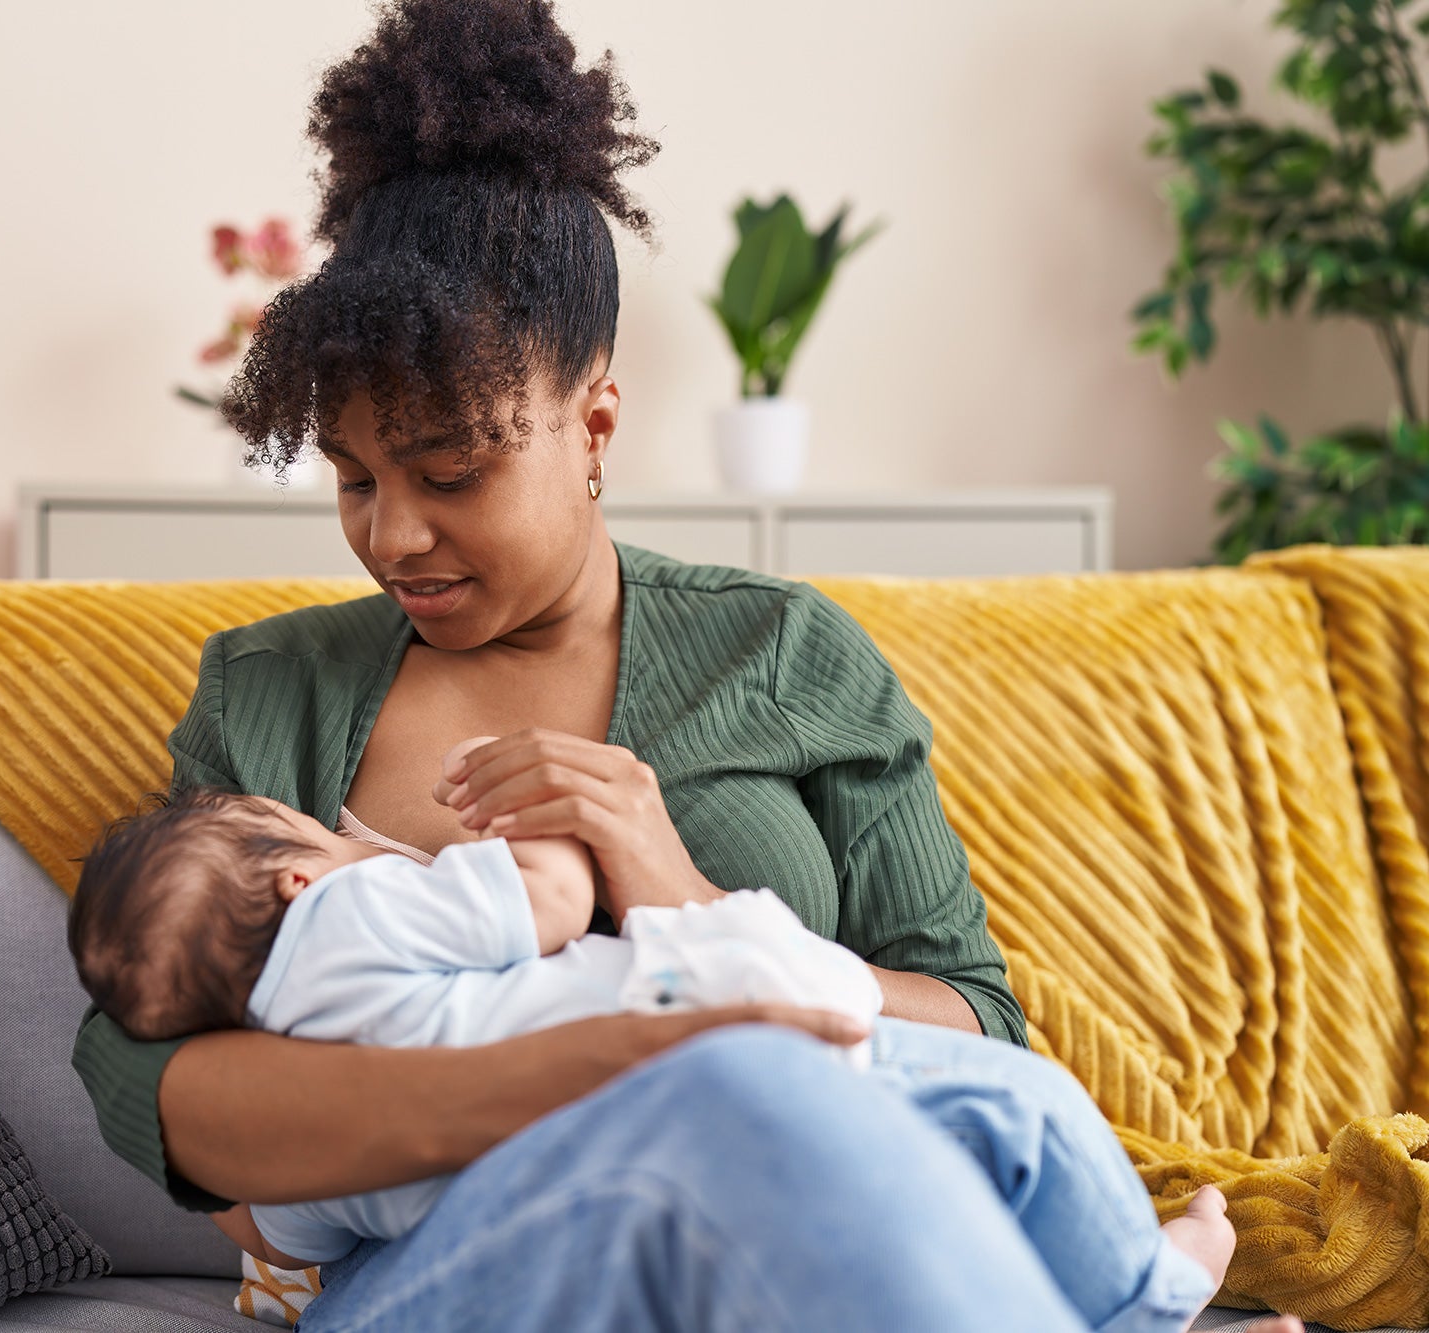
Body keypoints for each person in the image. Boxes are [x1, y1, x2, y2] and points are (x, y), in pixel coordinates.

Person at [70, 1, 1305, 1327]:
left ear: (594, 417)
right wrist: (630, 1062)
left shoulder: (785, 654)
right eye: (356, 478)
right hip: (459, 1275)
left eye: (449, 473)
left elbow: (980, 1038)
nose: (394, 533)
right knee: (731, 1095)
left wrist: (671, 883)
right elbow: (161, 1093)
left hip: (825, 1238)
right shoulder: (272, 692)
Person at [69, 753, 884, 1268]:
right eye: (312, 829)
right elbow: (556, 900)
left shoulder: (288, 1130)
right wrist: (518, 821)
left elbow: (283, 1244)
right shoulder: (354, 911)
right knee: (810, 989)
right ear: (297, 880)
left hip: (539, 1244)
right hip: (680, 1034)